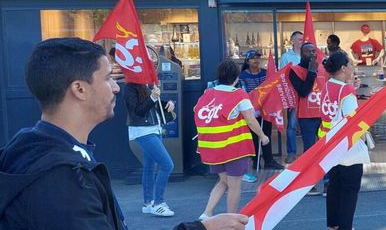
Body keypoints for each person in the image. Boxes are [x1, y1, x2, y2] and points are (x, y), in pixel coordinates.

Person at [0, 37, 248, 230]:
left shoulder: (30, 149)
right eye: (108, 78)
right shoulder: (64, 181)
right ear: (79, 89)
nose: (116, 87)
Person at [196, 60, 271, 219]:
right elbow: (251, 120)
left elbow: (195, 110)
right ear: (236, 78)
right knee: (235, 185)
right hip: (233, 148)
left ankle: (207, 213)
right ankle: (231, 219)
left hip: (210, 147)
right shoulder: (239, 95)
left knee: (224, 181)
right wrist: (262, 136)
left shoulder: (207, 93)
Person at [320, 51, 369, 230]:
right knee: (349, 189)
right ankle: (345, 226)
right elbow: (353, 120)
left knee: (334, 186)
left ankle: (333, 225)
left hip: (329, 144)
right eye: (350, 65)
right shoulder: (346, 90)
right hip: (347, 146)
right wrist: (364, 139)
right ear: (343, 68)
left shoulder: (326, 86)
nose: (352, 67)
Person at [125, 81, 177, 217]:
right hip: (143, 130)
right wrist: (153, 97)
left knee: (149, 167)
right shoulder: (130, 87)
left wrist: (169, 103)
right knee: (167, 165)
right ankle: (158, 203)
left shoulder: (146, 85)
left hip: (153, 129)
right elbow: (137, 112)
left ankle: (148, 203)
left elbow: (156, 104)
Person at [239, 50, 284, 170]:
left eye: (258, 58)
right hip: (251, 110)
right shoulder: (242, 75)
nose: (256, 60)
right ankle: (256, 161)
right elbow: (243, 92)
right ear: (248, 61)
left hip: (265, 108)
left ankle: (269, 161)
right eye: (253, 58)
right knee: (254, 136)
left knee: (266, 134)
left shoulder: (265, 73)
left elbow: (272, 86)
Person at [287, 42, 321, 193]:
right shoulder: (294, 71)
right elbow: (303, 92)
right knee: (309, 151)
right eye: (309, 52)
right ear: (301, 53)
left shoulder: (323, 69)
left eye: (314, 51)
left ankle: (327, 181)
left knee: (325, 150)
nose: (312, 54)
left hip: (323, 114)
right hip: (307, 116)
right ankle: (308, 183)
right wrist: (312, 73)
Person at [280, 31, 304, 164]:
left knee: (308, 126)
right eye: (299, 39)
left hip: (308, 95)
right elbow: (282, 75)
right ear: (293, 41)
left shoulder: (309, 55)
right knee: (292, 125)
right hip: (293, 94)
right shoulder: (286, 56)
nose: (301, 41)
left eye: (302, 39)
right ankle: (291, 153)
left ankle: (310, 153)